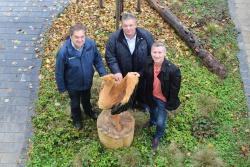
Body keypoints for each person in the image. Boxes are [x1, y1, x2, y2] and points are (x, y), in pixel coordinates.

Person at [55, 23, 107, 130]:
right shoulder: (64, 52)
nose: (80, 40)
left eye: (82, 37)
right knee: (75, 103)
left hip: (87, 81)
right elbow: (59, 71)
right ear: (71, 37)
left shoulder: (90, 44)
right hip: (72, 85)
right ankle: (77, 119)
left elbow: (97, 60)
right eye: (76, 37)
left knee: (86, 98)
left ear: (85, 36)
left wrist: (103, 74)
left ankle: (89, 111)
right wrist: (62, 88)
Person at [105, 12, 154, 110]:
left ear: (136, 25)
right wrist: (117, 71)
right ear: (121, 26)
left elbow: (152, 55)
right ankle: (126, 104)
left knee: (141, 88)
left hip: (141, 72)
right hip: (123, 72)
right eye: (125, 26)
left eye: (131, 25)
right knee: (125, 90)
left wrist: (142, 72)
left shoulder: (146, 36)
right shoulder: (114, 38)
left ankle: (141, 103)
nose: (128, 28)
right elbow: (110, 56)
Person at [143, 41, 181, 151]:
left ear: (164, 53)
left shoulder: (173, 70)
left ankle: (158, 136)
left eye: (160, 52)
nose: (157, 55)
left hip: (163, 99)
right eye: (154, 52)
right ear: (151, 53)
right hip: (151, 95)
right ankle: (152, 121)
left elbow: (175, 90)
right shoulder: (148, 63)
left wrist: (170, 104)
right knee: (152, 111)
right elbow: (145, 76)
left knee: (161, 121)